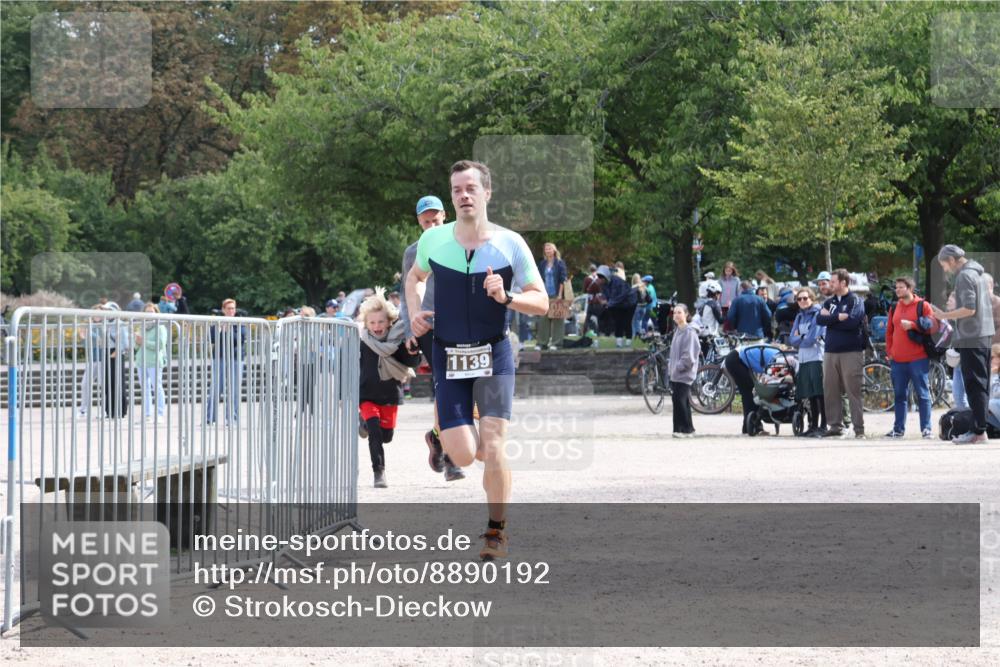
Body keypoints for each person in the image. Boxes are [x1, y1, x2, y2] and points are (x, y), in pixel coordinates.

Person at [404, 160, 548, 560]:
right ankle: (453, 439)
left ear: (487, 193)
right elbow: (413, 278)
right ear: (451, 197)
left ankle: (496, 531)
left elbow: (542, 300)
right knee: (468, 454)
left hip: (494, 351)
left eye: (471, 188)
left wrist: (507, 297)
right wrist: (414, 312)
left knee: (495, 444)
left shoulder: (511, 243)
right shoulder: (434, 242)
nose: (464, 195)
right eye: (457, 190)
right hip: (448, 354)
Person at [400, 194, 464, 482]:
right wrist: (408, 327)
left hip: (459, 323)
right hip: (427, 323)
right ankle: (451, 457)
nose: (431, 226)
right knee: (445, 384)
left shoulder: (461, 243)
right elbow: (407, 289)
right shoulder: (413, 251)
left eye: (436, 220)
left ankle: (438, 437)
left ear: (445, 216)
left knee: (460, 386)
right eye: (426, 222)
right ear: (419, 222)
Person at [358, 287, 422, 488]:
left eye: (381, 322)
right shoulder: (362, 342)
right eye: (372, 322)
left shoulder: (398, 342)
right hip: (366, 395)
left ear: (389, 322)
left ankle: (365, 424)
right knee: (376, 433)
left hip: (389, 395)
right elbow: (349, 367)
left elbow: (412, 362)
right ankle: (379, 472)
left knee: (387, 437)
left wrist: (413, 350)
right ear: (366, 324)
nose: (376, 326)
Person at [932, 245, 995, 444]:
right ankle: (980, 429)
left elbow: (969, 309)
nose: (945, 269)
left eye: (944, 264)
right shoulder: (979, 274)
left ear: (951, 259)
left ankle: (978, 431)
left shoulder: (964, 276)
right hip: (983, 335)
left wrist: (944, 315)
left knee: (974, 385)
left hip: (972, 336)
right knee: (982, 384)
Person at [815, 269, 867, 439]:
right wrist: (838, 317)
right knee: (830, 389)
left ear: (843, 283)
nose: (830, 284)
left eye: (833, 281)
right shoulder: (829, 302)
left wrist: (831, 319)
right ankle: (835, 426)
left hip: (851, 351)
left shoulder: (855, 300)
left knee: (853, 391)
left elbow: (852, 322)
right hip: (830, 351)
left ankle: (859, 429)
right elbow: (819, 320)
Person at [884, 276, 936, 439]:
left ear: (910, 288)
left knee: (923, 393)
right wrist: (889, 352)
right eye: (896, 287)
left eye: (901, 287)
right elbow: (889, 332)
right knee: (899, 395)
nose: (897, 290)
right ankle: (898, 429)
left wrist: (913, 325)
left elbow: (933, 326)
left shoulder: (922, 305)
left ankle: (926, 429)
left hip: (918, 358)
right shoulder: (894, 306)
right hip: (897, 360)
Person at [788, 287, 827, 437]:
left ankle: (823, 426)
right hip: (803, 358)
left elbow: (812, 339)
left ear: (812, 298)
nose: (803, 301)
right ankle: (813, 425)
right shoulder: (799, 317)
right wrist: (803, 338)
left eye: (805, 298)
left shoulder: (818, 314)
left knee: (819, 393)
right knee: (810, 394)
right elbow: (792, 339)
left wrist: (801, 337)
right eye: (799, 299)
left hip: (817, 357)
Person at [723, 342, 783, 434]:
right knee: (749, 391)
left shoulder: (772, 351)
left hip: (735, 358)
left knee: (747, 393)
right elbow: (769, 376)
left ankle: (748, 426)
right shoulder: (775, 357)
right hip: (736, 360)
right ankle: (754, 425)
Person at [207, 298, 248, 425]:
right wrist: (220, 330)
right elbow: (212, 338)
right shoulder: (217, 323)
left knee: (234, 389)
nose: (231, 311)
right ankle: (210, 418)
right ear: (223, 310)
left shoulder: (240, 323)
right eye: (229, 308)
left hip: (236, 359)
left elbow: (239, 340)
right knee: (215, 388)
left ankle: (232, 418)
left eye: (233, 308)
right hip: (219, 358)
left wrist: (227, 330)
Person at [668, 303, 700, 438]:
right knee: (681, 401)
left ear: (686, 314)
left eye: (679, 312)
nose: (676, 315)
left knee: (679, 400)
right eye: (675, 312)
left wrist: (678, 367)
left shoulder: (689, 332)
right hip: (676, 373)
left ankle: (683, 429)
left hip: (684, 373)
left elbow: (689, 355)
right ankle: (687, 429)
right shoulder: (677, 330)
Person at [133, 302, 168, 421]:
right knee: (145, 389)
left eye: (151, 312)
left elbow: (160, 345)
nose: (149, 314)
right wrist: (137, 342)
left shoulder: (161, 327)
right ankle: (147, 414)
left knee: (157, 387)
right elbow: (136, 347)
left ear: (156, 313)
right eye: (147, 312)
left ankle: (160, 414)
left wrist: (143, 341)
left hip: (154, 362)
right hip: (141, 361)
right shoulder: (141, 327)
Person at [535, 242, 568, 351]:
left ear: (554, 250)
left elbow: (563, 280)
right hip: (545, 294)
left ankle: (556, 343)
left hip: (557, 294)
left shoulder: (560, 263)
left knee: (557, 319)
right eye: (546, 249)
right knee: (543, 318)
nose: (547, 250)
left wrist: (559, 294)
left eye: (549, 248)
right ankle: (542, 343)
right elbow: (539, 278)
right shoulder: (542, 264)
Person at [100, 303, 131, 418]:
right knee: (108, 383)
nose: (106, 312)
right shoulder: (106, 323)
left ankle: (119, 410)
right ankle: (109, 411)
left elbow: (125, 343)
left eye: (108, 309)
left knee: (117, 382)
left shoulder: (120, 324)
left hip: (116, 354)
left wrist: (115, 352)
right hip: (107, 352)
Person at [76, 304, 106, 418]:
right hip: (92, 359)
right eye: (95, 313)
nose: (97, 315)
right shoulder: (90, 325)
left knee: (103, 385)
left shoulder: (105, 325)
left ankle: (105, 410)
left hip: (103, 359)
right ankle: (84, 410)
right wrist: (83, 337)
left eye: (99, 313)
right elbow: (87, 344)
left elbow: (101, 339)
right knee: (85, 384)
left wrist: (88, 332)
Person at [595, 265, 634, 347]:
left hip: (629, 303)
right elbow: (606, 295)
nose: (599, 280)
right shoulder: (603, 284)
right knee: (618, 321)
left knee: (627, 321)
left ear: (605, 277)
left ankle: (628, 341)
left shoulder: (616, 282)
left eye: (600, 278)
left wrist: (608, 303)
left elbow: (620, 296)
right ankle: (619, 341)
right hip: (617, 304)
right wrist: (604, 301)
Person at [630, 273, 652, 343]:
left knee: (634, 322)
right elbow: (650, 299)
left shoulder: (633, 288)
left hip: (637, 307)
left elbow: (631, 299)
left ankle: (636, 336)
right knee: (639, 321)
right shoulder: (644, 287)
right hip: (644, 307)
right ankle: (638, 336)